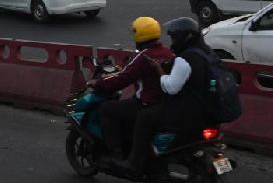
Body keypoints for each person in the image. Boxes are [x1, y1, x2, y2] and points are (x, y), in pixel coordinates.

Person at [117, 17, 216, 175]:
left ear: (185, 37)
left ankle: (135, 162)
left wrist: (160, 72)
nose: (173, 41)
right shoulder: (207, 53)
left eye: (175, 37)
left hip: (187, 111)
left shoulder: (185, 58)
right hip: (208, 111)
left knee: (144, 117)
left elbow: (171, 88)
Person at [92, 17, 174, 158]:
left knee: (106, 108)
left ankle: (115, 150)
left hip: (146, 104)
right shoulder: (168, 53)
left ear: (139, 35)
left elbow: (122, 79)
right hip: (166, 104)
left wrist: (99, 83)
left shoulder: (144, 57)